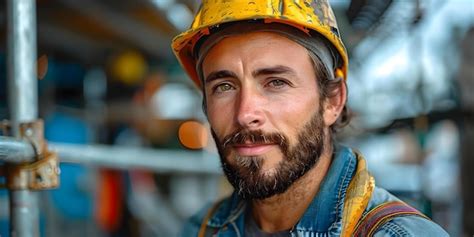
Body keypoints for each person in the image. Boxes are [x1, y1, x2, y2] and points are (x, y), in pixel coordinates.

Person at [171, 0, 449, 236]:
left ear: (332, 101)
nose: (245, 114)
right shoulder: (201, 229)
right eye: (224, 87)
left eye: (276, 82)